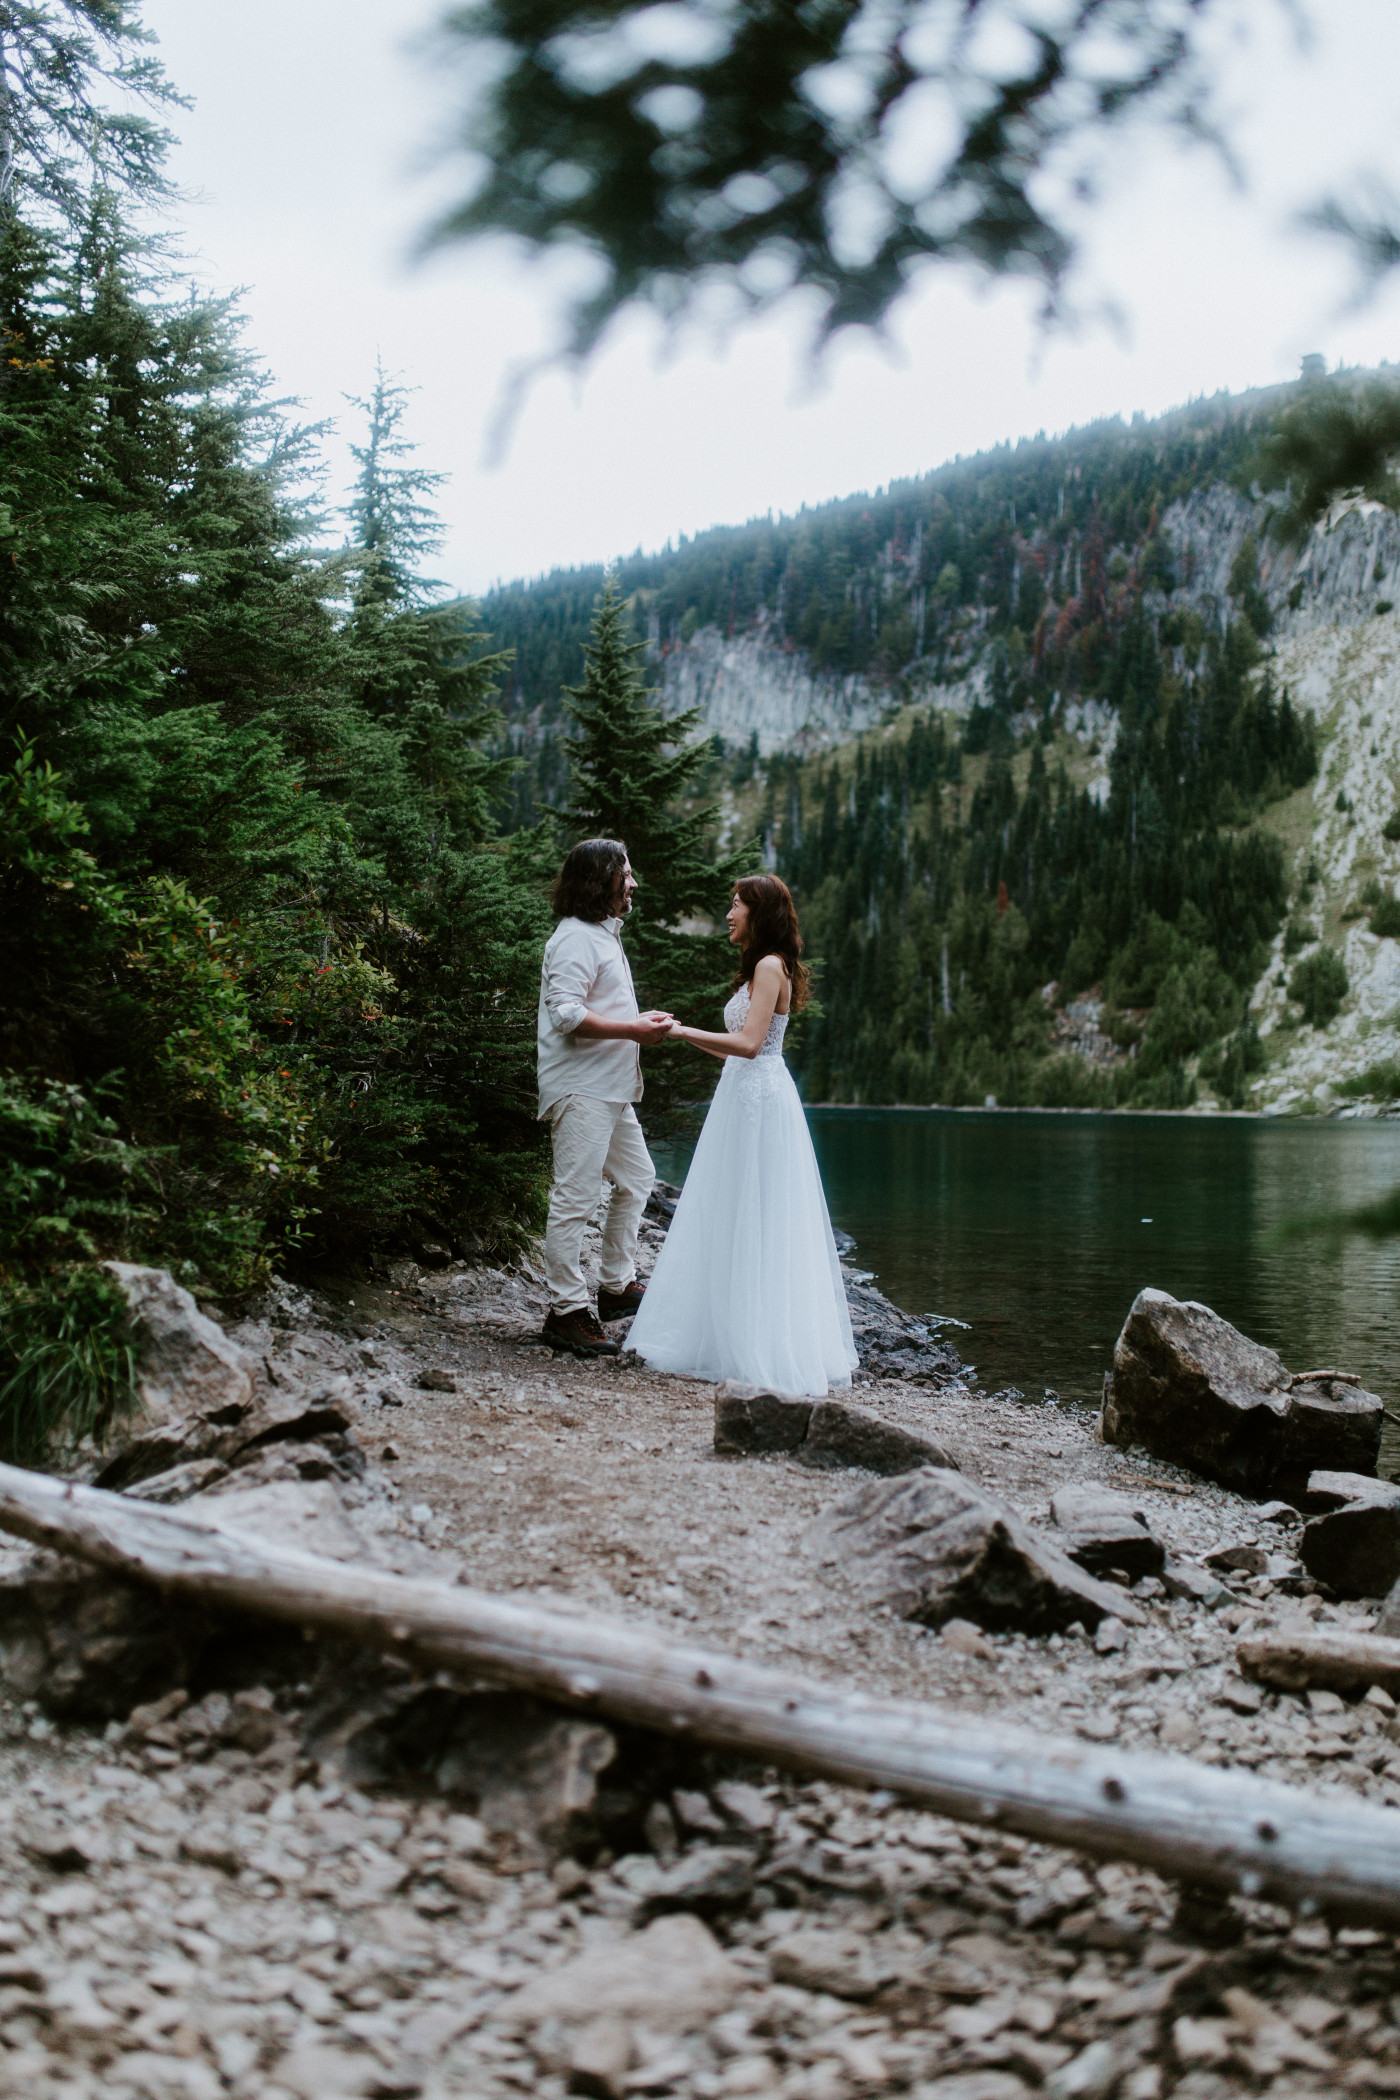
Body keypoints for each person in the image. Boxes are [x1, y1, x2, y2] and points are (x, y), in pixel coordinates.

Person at [626, 874, 858, 1396]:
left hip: (760, 1103)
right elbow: (736, 1045)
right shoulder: (760, 967)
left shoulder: (770, 966)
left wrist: (682, 1031)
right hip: (742, 1096)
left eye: (736, 905)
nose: (728, 913)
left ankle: (760, 1343)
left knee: (759, 1214)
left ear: (760, 911)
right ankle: (724, 1332)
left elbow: (751, 1045)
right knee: (733, 1210)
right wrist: (681, 1033)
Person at [537, 837, 674, 1357]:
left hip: (611, 1089)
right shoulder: (574, 938)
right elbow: (566, 1015)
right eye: (626, 873)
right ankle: (565, 1311)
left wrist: (638, 1025)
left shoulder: (601, 935)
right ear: (601, 880)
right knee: (575, 1197)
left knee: (637, 1179)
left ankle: (616, 1287)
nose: (633, 883)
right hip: (581, 1087)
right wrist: (633, 1031)